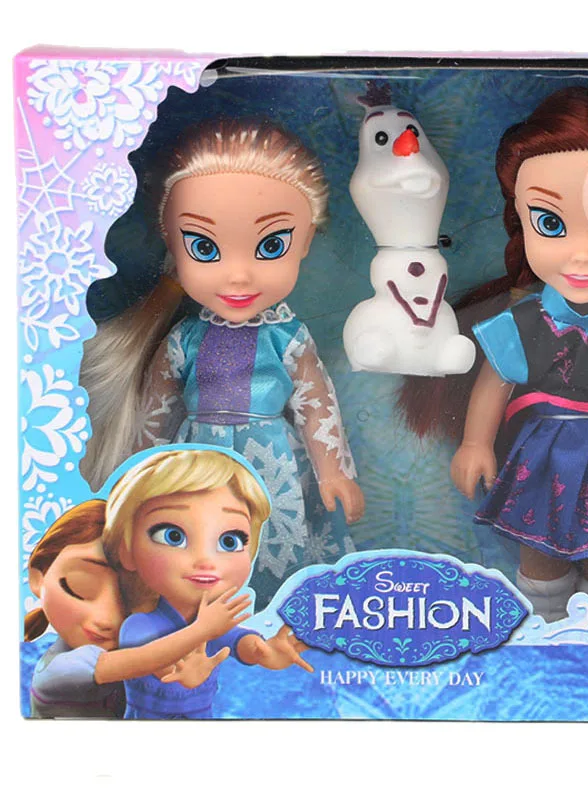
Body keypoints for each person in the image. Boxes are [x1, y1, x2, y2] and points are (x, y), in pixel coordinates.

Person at [404, 88, 588, 622]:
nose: (582, 254)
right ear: (521, 218)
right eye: (551, 223)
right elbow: (493, 384)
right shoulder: (522, 321)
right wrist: (475, 442)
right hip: (543, 456)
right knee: (539, 551)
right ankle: (544, 623)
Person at [81, 120, 364, 610]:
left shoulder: (287, 337)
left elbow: (317, 405)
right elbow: (155, 413)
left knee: (271, 540)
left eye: (271, 246)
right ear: (172, 244)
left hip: (271, 461)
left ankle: (274, 613)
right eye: (204, 248)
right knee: (190, 542)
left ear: (305, 242)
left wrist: (332, 472)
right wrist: (137, 474)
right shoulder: (185, 339)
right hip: (196, 459)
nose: (237, 275)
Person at [103, 448, 313, 719]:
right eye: (172, 536)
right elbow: (149, 660)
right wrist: (192, 649)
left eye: (229, 541)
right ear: (127, 550)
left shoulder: (210, 621)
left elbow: (237, 640)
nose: (205, 560)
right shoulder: (141, 624)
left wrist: (265, 651)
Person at [25, 499, 250, 718]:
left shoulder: (139, 637)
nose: (105, 619)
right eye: (81, 586)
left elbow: (158, 666)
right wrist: (201, 630)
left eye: (129, 600)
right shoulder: (57, 672)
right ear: (37, 579)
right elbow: (141, 660)